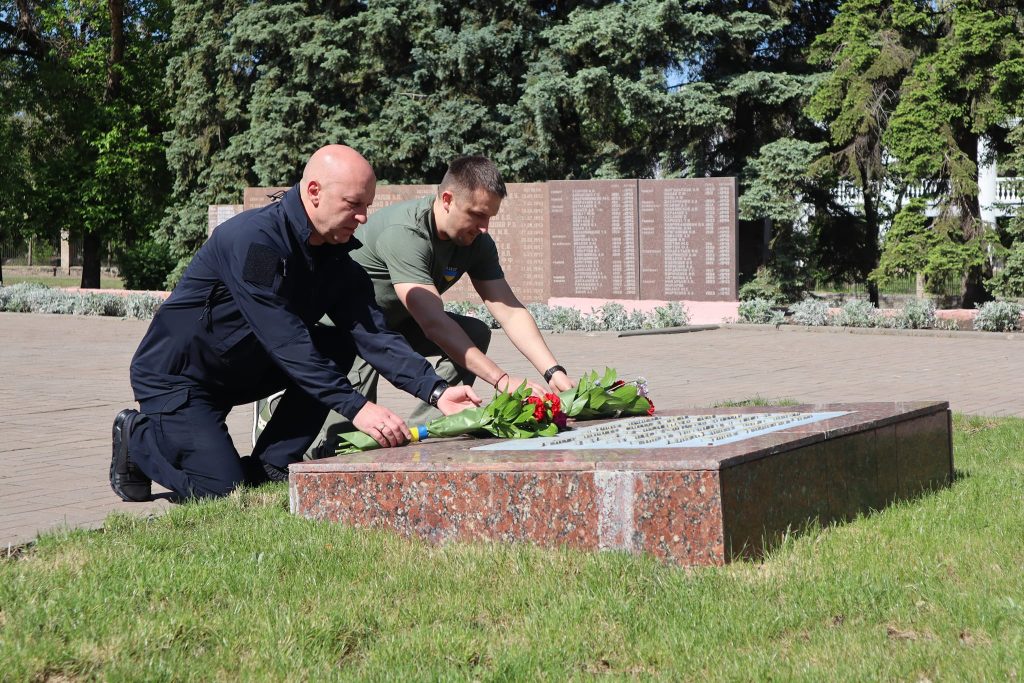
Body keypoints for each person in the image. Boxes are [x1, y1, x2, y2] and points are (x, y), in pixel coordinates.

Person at [110, 145, 481, 502]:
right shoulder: (254, 242)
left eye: (367, 206)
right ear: (314, 191)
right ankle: (137, 436)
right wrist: (358, 408)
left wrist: (435, 391)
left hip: (243, 369)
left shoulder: (337, 262)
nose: (363, 218)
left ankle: (270, 464)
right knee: (222, 493)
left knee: (336, 345)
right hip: (181, 378)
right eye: (353, 205)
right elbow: (287, 342)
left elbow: (373, 334)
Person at [257, 155, 574, 456]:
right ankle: (303, 432)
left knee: (474, 332)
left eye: (489, 217)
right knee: (345, 438)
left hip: (395, 325)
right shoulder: (407, 233)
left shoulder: (476, 242)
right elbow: (433, 322)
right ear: (447, 200)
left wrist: (553, 372)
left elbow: (508, 308)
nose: (484, 228)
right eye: (477, 214)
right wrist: (503, 381)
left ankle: (428, 428)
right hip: (347, 331)